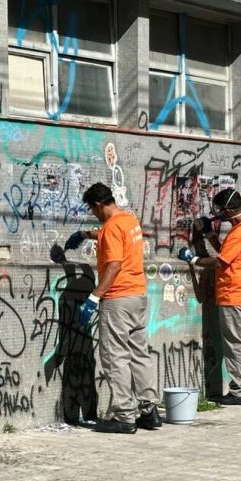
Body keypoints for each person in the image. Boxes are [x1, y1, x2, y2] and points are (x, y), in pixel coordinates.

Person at [64, 182, 161, 433]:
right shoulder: (129, 221)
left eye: (92, 210)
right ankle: (149, 411)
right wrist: (86, 235)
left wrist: (95, 296)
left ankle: (124, 417)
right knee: (139, 353)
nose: (93, 214)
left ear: (98, 205)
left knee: (115, 357)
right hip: (138, 296)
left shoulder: (111, 227)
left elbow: (114, 264)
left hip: (117, 299)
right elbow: (112, 236)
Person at [178, 188, 241, 406]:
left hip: (235, 296)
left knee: (235, 345)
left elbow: (220, 262)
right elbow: (226, 252)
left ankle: (240, 392)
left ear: (231, 210)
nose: (219, 215)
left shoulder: (239, 232)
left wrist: (193, 259)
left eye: (221, 211)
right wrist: (209, 235)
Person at [184, 222, 224, 401]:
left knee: (229, 348)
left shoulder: (215, 266)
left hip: (223, 308)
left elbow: (220, 256)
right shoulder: (209, 270)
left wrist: (192, 262)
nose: (199, 248)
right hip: (216, 310)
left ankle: (232, 390)